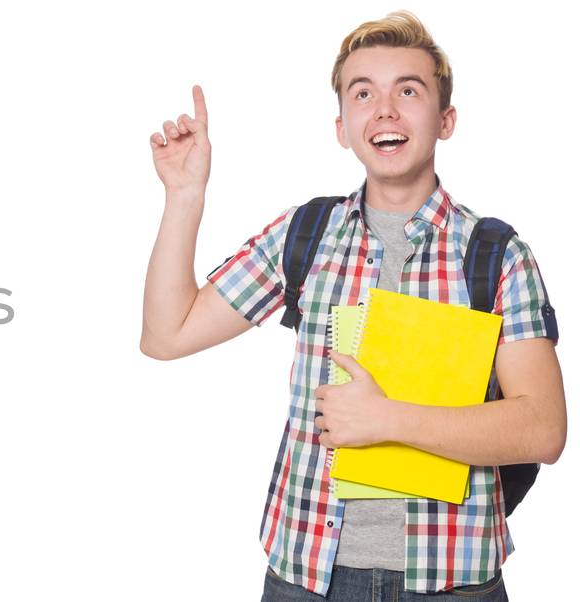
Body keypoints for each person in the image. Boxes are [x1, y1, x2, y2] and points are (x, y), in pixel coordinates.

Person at [140, 11, 564, 601]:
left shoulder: (495, 255)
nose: (384, 110)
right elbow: (167, 334)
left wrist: (388, 420)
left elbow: (543, 429)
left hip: (451, 582)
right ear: (342, 126)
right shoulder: (304, 234)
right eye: (363, 93)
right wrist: (185, 195)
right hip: (307, 575)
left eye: (407, 91)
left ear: (446, 120)